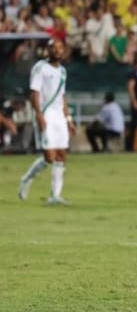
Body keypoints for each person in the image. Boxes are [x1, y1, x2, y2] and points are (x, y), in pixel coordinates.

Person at [18, 39, 76, 205]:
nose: (57, 51)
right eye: (54, 48)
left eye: (60, 48)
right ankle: (27, 178)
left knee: (62, 156)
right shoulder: (40, 68)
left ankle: (55, 196)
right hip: (46, 113)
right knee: (49, 157)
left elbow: (62, 97)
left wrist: (68, 119)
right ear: (47, 51)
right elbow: (34, 93)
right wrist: (39, 115)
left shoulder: (63, 71)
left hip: (59, 116)